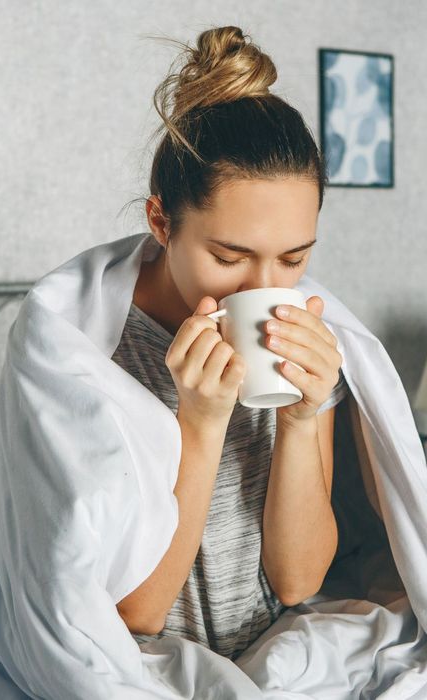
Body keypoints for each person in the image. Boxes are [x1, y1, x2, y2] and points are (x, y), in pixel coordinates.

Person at [111, 25, 350, 661]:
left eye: (294, 258)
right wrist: (202, 422)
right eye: (229, 256)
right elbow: (138, 611)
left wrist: (303, 420)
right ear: (161, 222)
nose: (265, 288)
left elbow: (300, 582)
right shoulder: (99, 354)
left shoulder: (308, 342)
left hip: (273, 658)